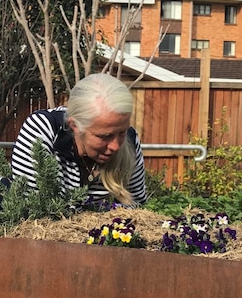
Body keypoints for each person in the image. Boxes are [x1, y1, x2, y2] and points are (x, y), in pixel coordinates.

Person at [10, 73, 147, 206]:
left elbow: (136, 207)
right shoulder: (42, 130)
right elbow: (33, 209)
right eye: (104, 136)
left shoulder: (130, 141)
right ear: (74, 125)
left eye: (121, 132)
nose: (116, 146)